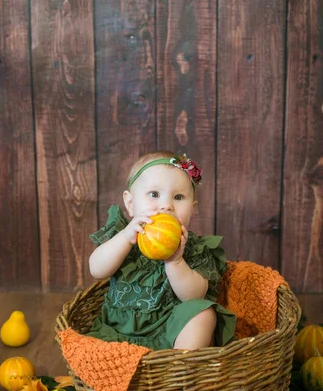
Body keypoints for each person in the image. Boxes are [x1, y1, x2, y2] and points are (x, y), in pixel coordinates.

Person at [88, 150, 236, 350]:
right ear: (130, 204)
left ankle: (178, 369)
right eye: (154, 194)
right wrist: (124, 238)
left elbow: (194, 296)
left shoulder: (192, 248)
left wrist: (175, 262)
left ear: (192, 208)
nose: (166, 205)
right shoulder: (122, 238)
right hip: (118, 333)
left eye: (178, 197)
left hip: (170, 334)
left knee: (204, 314)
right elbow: (97, 270)